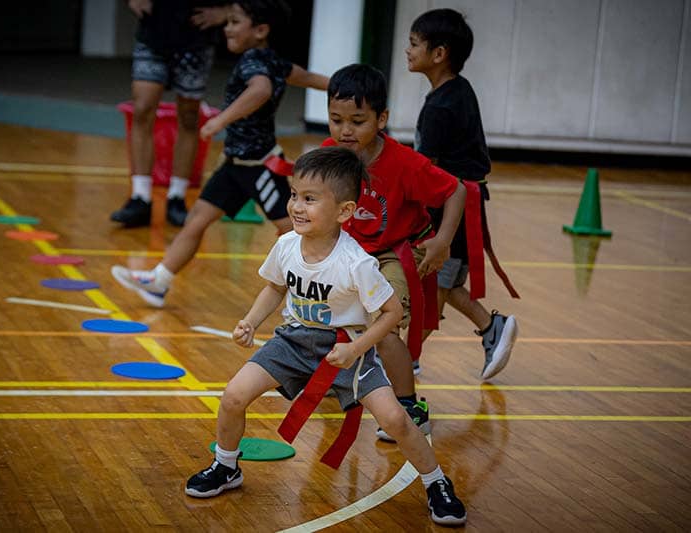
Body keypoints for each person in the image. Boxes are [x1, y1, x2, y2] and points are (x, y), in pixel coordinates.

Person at [184, 147, 467, 526]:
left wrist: (356, 349)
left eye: (310, 199)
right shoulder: (286, 245)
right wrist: (250, 322)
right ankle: (226, 466)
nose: (297, 206)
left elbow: (392, 314)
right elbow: (274, 287)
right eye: (295, 196)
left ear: (345, 212)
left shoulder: (357, 263)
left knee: (396, 420)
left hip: (346, 348)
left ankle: (437, 482)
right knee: (234, 396)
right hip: (292, 341)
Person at [111, 0, 329, 307]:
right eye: (228, 22)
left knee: (291, 230)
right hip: (234, 166)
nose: (227, 27)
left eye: (235, 22)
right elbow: (305, 78)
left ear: (261, 31)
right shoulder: (274, 61)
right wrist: (339, 85)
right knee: (197, 219)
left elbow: (261, 90)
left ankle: (320, 294)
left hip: (259, 166)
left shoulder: (255, 63)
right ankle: (160, 280)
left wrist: (220, 120)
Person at [322, 64, 466, 442]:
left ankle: (409, 407)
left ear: (382, 119)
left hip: (393, 255)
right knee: (316, 313)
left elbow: (456, 191)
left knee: (383, 330)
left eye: (357, 120)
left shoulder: (404, 163)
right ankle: (333, 380)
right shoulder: (329, 154)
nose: (345, 130)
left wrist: (442, 241)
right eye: (336, 120)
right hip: (350, 252)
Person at [407, 8, 518, 381]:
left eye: (413, 44)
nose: (408, 51)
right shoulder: (459, 90)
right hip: (463, 204)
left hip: (453, 210)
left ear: (438, 53)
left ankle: (404, 359)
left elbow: (427, 171)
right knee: (445, 281)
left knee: (434, 287)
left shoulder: (440, 106)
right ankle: (492, 328)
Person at [110, 0, 228, 228]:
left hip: (196, 37)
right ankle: (140, 197)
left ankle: (177, 197)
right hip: (153, 32)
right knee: (142, 109)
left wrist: (226, 11)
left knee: (189, 116)